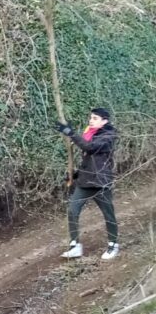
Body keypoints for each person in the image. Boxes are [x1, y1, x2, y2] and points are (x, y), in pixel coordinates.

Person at [55, 109, 119, 261]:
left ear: (104, 121)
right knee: (72, 210)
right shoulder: (90, 134)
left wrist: (71, 133)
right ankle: (75, 245)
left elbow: (90, 147)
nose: (91, 120)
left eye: (95, 118)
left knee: (108, 214)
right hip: (85, 182)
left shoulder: (108, 136)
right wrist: (75, 174)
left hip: (101, 183)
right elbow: (90, 160)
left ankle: (113, 244)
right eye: (91, 117)